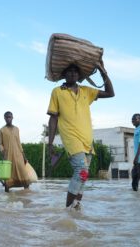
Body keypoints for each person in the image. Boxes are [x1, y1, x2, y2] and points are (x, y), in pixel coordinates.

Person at [47, 60, 114, 210]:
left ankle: (76, 208)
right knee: (81, 171)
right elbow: (53, 118)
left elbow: (110, 93)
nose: (72, 73)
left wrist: (103, 71)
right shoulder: (58, 91)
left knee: (84, 176)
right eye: (69, 71)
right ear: (64, 75)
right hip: (71, 138)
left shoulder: (86, 91)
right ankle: (68, 210)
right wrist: (50, 143)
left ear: (79, 75)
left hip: (87, 140)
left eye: (75, 71)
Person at [0, 112, 30, 192]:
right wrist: (3, 152)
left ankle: (26, 194)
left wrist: (24, 156)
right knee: (8, 176)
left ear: (12, 117)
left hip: (18, 155)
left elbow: (19, 143)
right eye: (6, 117)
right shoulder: (1, 130)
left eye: (10, 117)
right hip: (8, 156)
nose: (8, 118)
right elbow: (0, 144)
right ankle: (7, 198)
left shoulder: (16, 129)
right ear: (4, 118)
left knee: (23, 174)